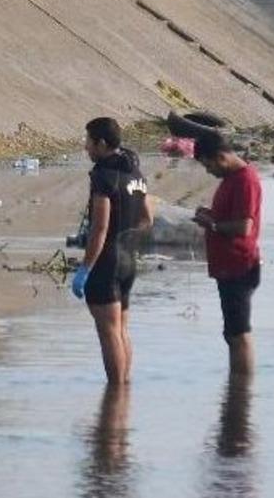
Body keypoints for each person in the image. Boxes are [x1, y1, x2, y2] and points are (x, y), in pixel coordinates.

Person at [71, 117, 153, 385]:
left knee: (108, 333)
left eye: (88, 142)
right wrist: (126, 239)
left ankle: (114, 400)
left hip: (106, 263)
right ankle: (124, 394)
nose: (86, 148)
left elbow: (100, 228)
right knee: (121, 330)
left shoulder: (103, 177)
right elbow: (147, 219)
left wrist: (85, 268)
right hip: (128, 261)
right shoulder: (135, 173)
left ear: (102, 143)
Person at [191, 132, 262, 374]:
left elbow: (244, 227)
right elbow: (230, 217)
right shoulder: (231, 179)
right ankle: (236, 389)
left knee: (239, 333)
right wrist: (211, 215)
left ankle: (241, 393)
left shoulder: (245, 180)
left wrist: (211, 225)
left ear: (221, 157)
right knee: (231, 333)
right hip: (228, 265)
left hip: (240, 264)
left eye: (208, 165)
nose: (208, 171)